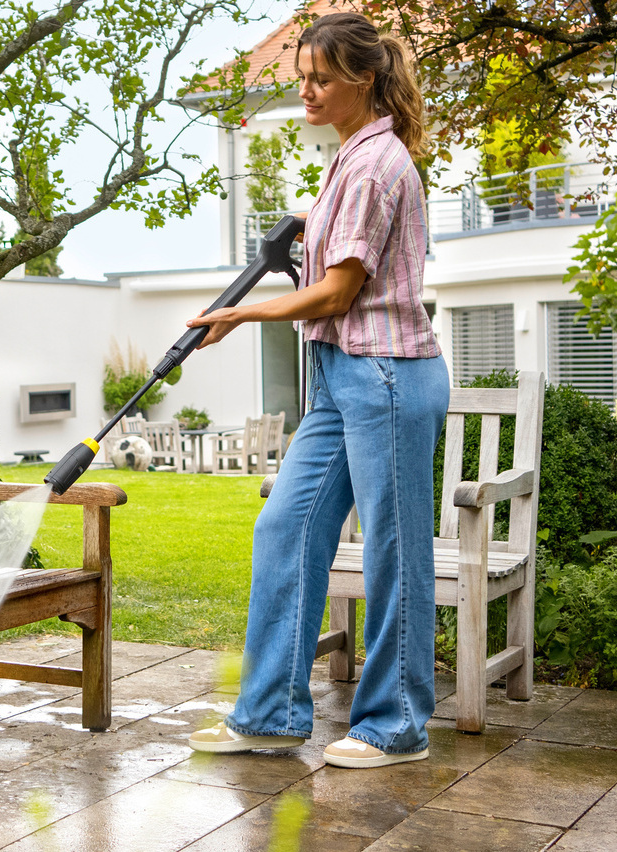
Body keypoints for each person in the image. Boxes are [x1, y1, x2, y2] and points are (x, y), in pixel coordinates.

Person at [185, 12, 450, 769]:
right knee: (286, 528)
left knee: (393, 552)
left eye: (321, 79)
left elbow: (337, 293)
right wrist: (310, 219)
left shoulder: (374, 165)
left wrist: (242, 314)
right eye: (301, 76)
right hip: (339, 375)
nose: (306, 89)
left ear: (363, 79)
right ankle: (270, 715)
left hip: (387, 375)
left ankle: (396, 726)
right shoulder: (347, 160)